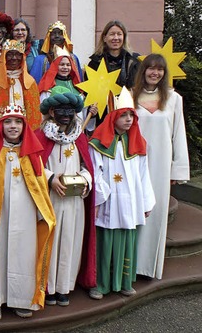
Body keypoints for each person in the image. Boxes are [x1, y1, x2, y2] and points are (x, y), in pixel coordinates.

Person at [0, 103, 55, 321]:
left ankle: (21, 299)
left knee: (23, 254)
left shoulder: (32, 154)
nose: (13, 126)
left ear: (24, 126)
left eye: (18, 121)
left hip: (26, 216)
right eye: (8, 121)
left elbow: (40, 185)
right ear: (1, 126)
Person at [88, 87, 155, 300]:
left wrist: (145, 202)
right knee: (105, 240)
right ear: (113, 117)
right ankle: (101, 284)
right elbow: (95, 173)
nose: (128, 120)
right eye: (123, 115)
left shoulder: (138, 144)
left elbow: (144, 175)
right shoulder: (98, 144)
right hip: (108, 203)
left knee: (127, 240)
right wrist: (99, 198)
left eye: (131, 116)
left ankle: (124, 281)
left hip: (130, 203)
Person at [35, 87, 96, 307]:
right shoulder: (40, 136)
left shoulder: (79, 137)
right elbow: (33, 166)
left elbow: (87, 165)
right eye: (60, 109)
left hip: (73, 202)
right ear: (51, 112)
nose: (65, 114)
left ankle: (64, 287)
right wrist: (50, 178)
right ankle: (48, 287)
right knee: (50, 242)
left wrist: (85, 180)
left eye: (70, 110)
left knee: (70, 242)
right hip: (49, 198)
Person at [133, 54, 189, 280]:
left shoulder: (174, 99)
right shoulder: (130, 95)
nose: (154, 73)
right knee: (134, 210)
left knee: (155, 211)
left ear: (164, 74)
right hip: (134, 163)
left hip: (161, 165)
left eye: (159, 70)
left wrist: (177, 169)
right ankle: (129, 265)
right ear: (143, 70)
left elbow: (179, 134)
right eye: (150, 68)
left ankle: (147, 266)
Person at [0, 39, 42, 139]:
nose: (14, 58)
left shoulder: (30, 83)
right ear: (4, 57)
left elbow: (35, 117)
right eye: (10, 54)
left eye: (18, 54)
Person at [38, 46, 98, 130]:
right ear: (55, 66)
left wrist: (90, 113)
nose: (65, 67)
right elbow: (42, 113)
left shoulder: (77, 88)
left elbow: (82, 114)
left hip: (75, 132)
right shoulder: (48, 89)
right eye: (62, 64)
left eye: (68, 65)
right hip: (53, 131)